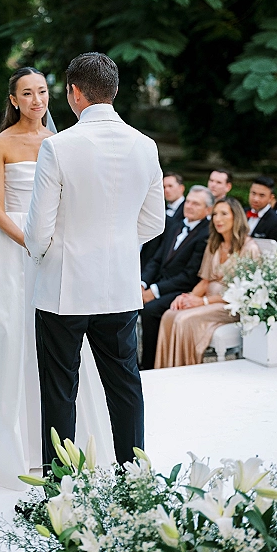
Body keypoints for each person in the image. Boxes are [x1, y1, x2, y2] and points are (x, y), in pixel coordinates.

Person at [0, 67, 114, 490]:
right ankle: (3, 441)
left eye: (42, 92)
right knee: (4, 331)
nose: (37, 100)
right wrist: (36, 244)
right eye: (27, 94)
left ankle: (62, 440)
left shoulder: (63, 141)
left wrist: (59, 242)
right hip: (12, 247)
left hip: (55, 246)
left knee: (56, 337)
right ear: (13, 100)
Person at [25, 53, 165, 468]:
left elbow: (37, 230)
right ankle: (132, 482)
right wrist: (117, 247)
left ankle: (59, 491)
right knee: (125, 386)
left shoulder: (57, 146)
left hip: (63, 289)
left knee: (59, 390)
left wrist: (48, 255)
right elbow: (154, 222)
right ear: (115, 91)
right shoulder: (146, 145)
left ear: (74, 92)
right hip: (120, 286)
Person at [155, 197, 260, 368]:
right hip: (207, 302)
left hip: (231, 307)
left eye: (224, 214)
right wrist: (187, 298)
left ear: (236, 217)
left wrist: (202, 301)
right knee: (170, 314)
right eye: (215, 214)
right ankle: (166, 370)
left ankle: (186, 371)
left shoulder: (249, 248)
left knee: (183, 320)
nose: (218, 219)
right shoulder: (214, 244)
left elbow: (243, 294)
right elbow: (205, 281)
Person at [139, 185, 213, 370]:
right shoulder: (176, 225)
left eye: (196, 204)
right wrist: (142, 284)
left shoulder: (207, 234)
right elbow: (156, 259)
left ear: (208, 210)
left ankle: (150, 365)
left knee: (150, 310)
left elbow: (189, 276)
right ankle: (132, 361)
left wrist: (153, 292)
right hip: (160, 284)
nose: (189, 206)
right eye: (188, 201)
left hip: (182, 289)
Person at [140, 172, 185, 269]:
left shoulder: (187, 210)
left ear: (181, 188)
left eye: (170, 186)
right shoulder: (159, 208)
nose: (166, 190)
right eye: (164, 187)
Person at [246, 175, 277, 245]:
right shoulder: (241, 213)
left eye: (261, 195)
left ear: (271, 198)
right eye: (253, 193)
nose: (256, 199)